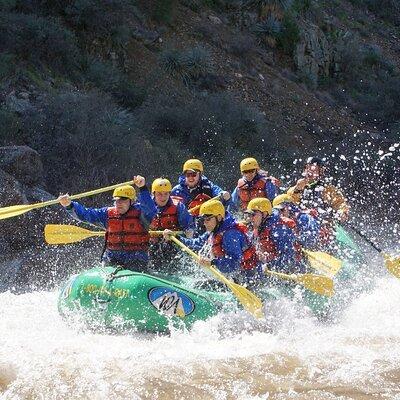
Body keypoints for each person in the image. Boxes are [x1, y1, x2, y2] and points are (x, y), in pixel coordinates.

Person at [58, 176, 157, 272]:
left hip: (136, 260)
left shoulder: (142, 214)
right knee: (108, 265)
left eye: (123, 200)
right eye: (117, 200)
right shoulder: (107, 214)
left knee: (136, 265)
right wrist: (69, 205)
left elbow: (150, 210)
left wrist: (143, 188)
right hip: (112, 259)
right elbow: (86, 214)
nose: (119, 203)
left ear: (131, 201)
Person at [164, 199, 261, 285]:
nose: (205, 223)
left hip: (249, 278)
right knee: (199, 284)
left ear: (219, 217)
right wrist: (175, 238)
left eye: (208, 219)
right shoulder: (213, 231)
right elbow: (195, 244)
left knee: (202, 286)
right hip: (235, 277)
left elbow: (235, 264)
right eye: (204, 220)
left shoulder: (230, 235)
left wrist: (213, 262)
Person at [287, 156, 349, 246]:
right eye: (308, 168)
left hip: (322, 225)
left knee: (324, 231)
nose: (310, 172)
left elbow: (340, 203)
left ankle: (323, 245)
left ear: (321, 172)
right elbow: (288, 204)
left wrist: (343, 212)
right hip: (301, 225)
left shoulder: (328, 189)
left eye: (314, 169)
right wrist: (297, 190)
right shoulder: (297, 187)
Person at [245, 197, 303, 274]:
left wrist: (268, 262)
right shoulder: (258, 227)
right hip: (271, 267)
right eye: (249, 215)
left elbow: (288, 257)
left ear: (264, 214)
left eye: (253, 214)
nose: (250, 218)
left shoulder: (278, 230)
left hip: (293, 270)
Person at [149, 178, 194, 269]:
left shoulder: (178, 207)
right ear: (153, 194)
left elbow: (189, 228)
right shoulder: (147, 206)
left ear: (170, 193)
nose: (163, 197)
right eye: (159, 194)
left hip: (172, 242)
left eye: (166, 194)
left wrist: (188, 232)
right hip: (152, 243)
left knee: (169, 249)